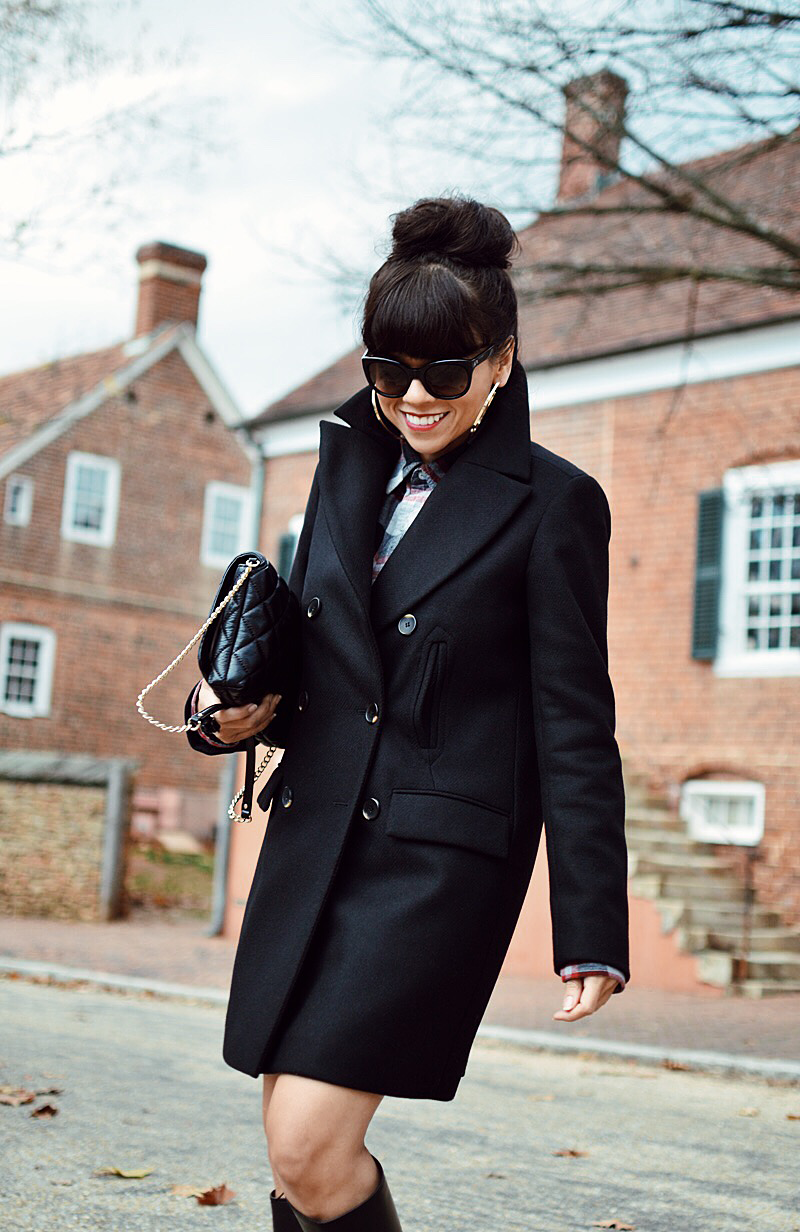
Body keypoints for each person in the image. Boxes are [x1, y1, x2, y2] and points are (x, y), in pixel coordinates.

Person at [185, 194, 630, 1231]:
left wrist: (590, 927)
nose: (415, 396)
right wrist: (229, 716)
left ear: (502, 360)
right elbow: (320, 666)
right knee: (295, 1154)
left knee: (308, 1139)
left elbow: (572, 719)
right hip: (314, 837)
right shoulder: (343, 468)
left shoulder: (554, 503)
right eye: (390, 372)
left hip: (434, 864)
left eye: (445, 370)